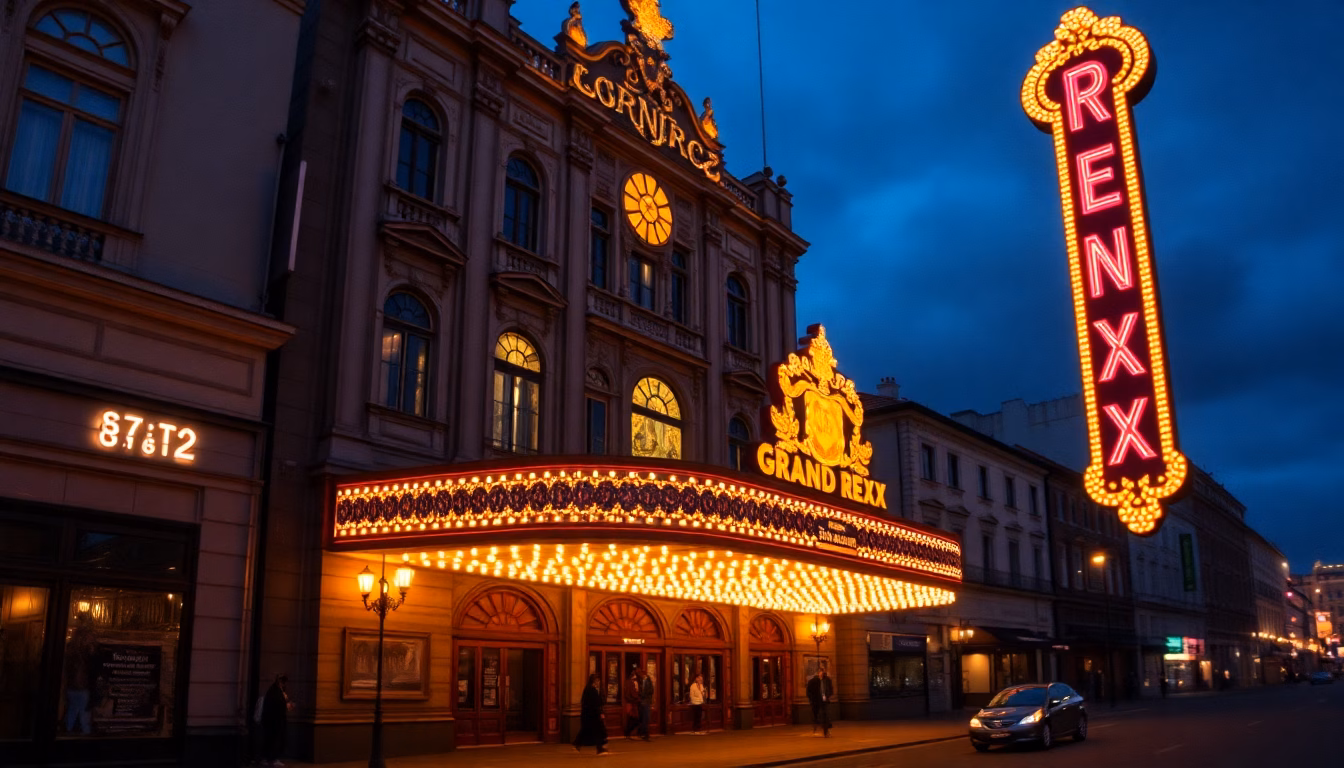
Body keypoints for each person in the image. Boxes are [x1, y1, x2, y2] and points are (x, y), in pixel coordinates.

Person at [260, 673, 293, 767]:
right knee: (274, 740)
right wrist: (286, 704)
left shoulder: (275, 691)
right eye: (283, 682)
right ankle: (272, 758)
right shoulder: (276, 692)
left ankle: (268, 758)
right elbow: (278, 705)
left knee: (270, 740)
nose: (284, 684)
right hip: (275, 721)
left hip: (273, 721)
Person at [574, 674, 609, 755]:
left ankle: (578, 743)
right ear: (594, 681)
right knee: (598, 731)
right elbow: (596, 703)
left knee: (587, 730)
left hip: (589, 715)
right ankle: (599, 748)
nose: (599, 682)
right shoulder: (592, 690)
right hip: (593, 715)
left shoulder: (589, 689)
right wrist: (600, 713)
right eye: (597, 681)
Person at [806, 665, 833, 737]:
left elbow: (830, 689)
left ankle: (826, 731)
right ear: (818, 673)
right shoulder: (813, 681)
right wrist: (812, 699)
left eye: (823, 671)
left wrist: (827, 695)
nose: (821, 673)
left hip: (825, 700)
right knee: (816, 715)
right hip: (816, 701)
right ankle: (816, 727)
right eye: (820, 672)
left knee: (825, 715)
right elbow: (809, 692)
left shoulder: (827, 680)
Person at [635, 666, 654, 741]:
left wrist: (642, 695)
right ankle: (643, 733)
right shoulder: (641, 680)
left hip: (645, 701)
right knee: (643, 718)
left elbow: (650, 690)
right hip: (643, 702)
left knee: (645, 718)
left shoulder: (647, 680)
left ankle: (645, 734)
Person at [622, 668, 641, 739]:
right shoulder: (631, 683)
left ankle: (628, 733)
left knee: (632, 718)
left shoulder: (627, 682)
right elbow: (633, 693)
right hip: (632, 703)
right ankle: (629, 732)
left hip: (630, 702)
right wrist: (638, 698)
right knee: (635, 718)